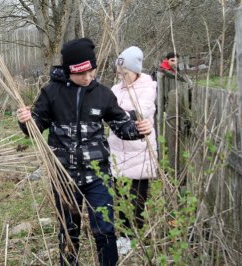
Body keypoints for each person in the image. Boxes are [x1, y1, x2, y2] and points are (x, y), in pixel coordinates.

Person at [16, 38, 152, 266]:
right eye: (81, 73)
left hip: (98, 175)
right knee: (69, 230)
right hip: (64, 176)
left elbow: (122, 127)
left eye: (91, 71)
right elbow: (35, 128)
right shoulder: (51, 92)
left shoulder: (104, 94)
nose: (87, 77)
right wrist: (26, 121)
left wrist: (138, 129)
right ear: (69, 70)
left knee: (105, 229)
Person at [108, 46, 158, 255]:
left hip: (138, 152)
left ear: (135, 70)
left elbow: (142, 112)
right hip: (118, 152)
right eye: (119, 73)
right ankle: (123, 235)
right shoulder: (115, 89)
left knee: (137, 197)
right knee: (119, 197)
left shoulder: (148, 87)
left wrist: (116, 115)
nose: (121, 77)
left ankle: (133, 236)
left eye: (124, 73)